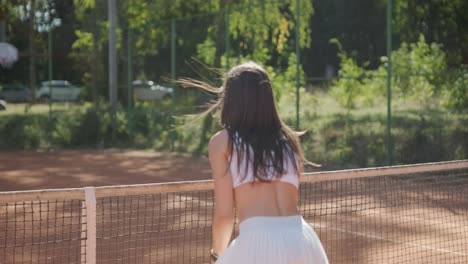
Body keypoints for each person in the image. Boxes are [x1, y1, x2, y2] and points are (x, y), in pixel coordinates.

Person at [181, 61, 328, 264]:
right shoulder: (289, 141)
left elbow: (225, 215)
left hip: (258, 244)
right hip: (304, 241)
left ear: (231, 100)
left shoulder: (223, 142)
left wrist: (216, 256)